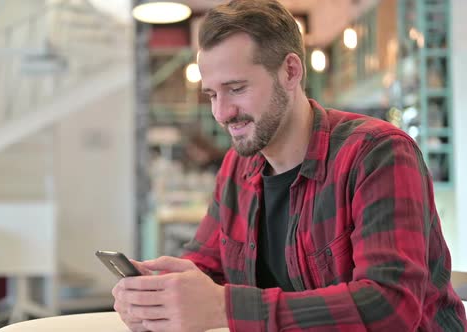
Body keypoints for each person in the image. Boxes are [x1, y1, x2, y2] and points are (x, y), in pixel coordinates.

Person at [112, 1, 467, 331]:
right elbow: (206, 265)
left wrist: (225, 306)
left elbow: (390, 306)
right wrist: (161, 290)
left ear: (291, 71)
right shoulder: (238, 167)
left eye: (236, 88)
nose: (221, 113)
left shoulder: (378, 153)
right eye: (212, 95)